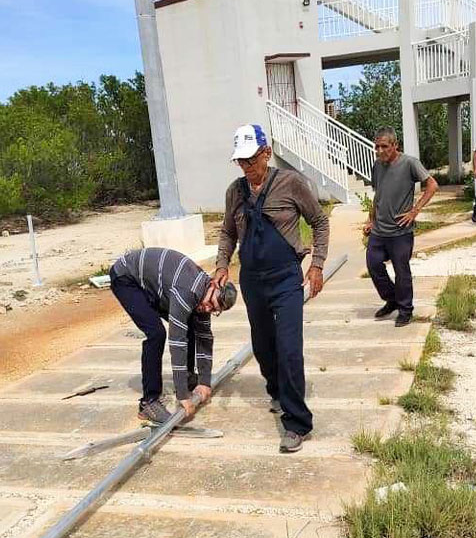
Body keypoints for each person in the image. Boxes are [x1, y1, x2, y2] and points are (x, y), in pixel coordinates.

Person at [214, 124, 329, 454]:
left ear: (266, 153)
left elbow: (319, 222)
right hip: (252, 280)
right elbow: (227, 233)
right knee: (263, 346)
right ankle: (278, 390)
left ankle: (297, 423)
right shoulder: (235, 192)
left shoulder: (291, 183)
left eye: (251, 160)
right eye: (241, 162)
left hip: (285, 278)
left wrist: (317, 264)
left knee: (289, 347)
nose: (247, 168)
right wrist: (223, 264)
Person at [109, 247, 237, 424]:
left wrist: (204, 381)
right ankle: (148, 402)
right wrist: (182, 395)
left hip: (156, 283)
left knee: (194, 323)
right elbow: (177, 342)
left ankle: (188, 376)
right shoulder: (187, 292)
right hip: (127, 278)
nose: (208, 309)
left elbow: (205, 337)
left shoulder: (206, 296)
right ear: (213, 286)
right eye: (211, 304)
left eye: (214, 310)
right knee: (156, 333)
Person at [363, 127, 438, 326]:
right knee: (373, 265)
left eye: (384, 146)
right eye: (376, 146)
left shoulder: (409, 163)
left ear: (395, 145)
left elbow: (432, 185)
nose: (379, 151)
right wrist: (371, 220)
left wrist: (415, 211)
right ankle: (392, 300)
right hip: (379, 230)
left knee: (401, 271)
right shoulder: (377, 166)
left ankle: (405, 309)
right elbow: (378, 196)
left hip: (400, 232)